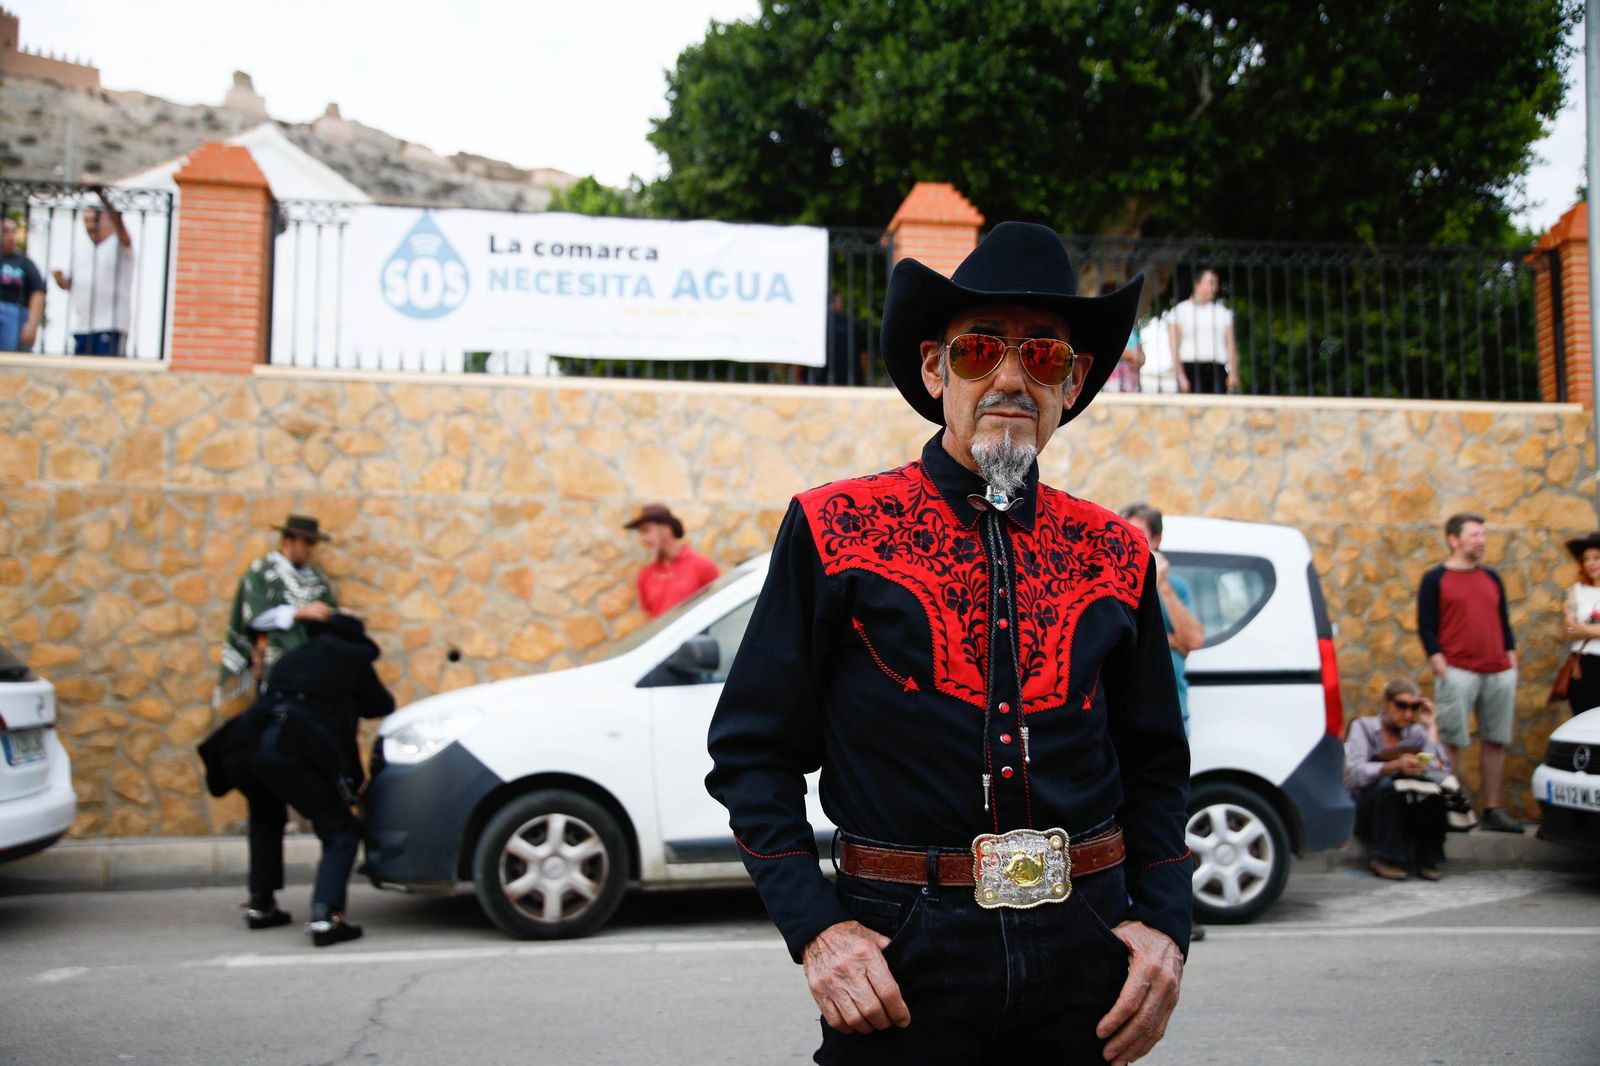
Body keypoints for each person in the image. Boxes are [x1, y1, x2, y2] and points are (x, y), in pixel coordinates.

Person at [707, 222, 1189, 1065]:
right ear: (935, 370)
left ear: (1072, 383)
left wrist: (1167, 927)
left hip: (1088, 942)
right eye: (978, 353)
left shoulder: (1117, 552)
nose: (1010, 377)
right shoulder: (835, 528)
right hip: (906, 952)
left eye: (1042, 356)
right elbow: (752, 753)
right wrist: (817, 930)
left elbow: (1155, 765)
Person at [206, 612, 394, 946]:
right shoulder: (352, 657)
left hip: (242, 744)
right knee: (340, 830)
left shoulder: (295, 657)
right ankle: (327, 917)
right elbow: (381, 704)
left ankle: (261, 906)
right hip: (288, 747)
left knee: (265, 817)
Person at [1416, 511, 1523, 834]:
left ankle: (1492, 809)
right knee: (1451, 740)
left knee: (1496, 740)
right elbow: (1426, 624)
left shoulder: (1492, 577)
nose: (1482, 540)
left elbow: (1503, 621)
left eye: (1483, 535)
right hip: (1457, 670)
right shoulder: (1435, 579)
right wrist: (1437, 658)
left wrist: (1511, 657)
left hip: (1498, 671)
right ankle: (1451, 810)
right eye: (1475, 535)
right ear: (1454, 539)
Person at [215, 515, 338, 712]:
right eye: (306, 542)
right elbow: (255, 617)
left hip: (312, 665)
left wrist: (336, 614)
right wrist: (298, 613)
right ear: (288, 540)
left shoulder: (316, 579)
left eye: (313, 543)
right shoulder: (262, 573)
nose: (310, 548)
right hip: (277, 662)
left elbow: (329, 610)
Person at [1344, 679, 1451, 880]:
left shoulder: (1416, 732)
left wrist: (1431, 728)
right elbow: (1355, 773)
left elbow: (1442, 771)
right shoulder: (1364, 727)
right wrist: (1393, 766)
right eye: (1401, 706)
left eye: (1414, 707)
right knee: (1388, 786)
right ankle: (1385, 858)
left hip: (1404, 810)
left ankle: (1427, 859)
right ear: (1387, 702)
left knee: (1433, 792)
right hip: (1367, 809)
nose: (1408, 714)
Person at [50, 187, 134, 357]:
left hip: (110, 326)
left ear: (106, 219)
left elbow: (120, 224)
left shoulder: (118, 246)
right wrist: (59, 279)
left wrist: (101, 195)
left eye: (94, 220)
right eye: (86, 221)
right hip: (82, 326)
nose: (90, 226)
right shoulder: (81, 252)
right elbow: (68, 284)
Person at [624, 504, 719, 618]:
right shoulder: (645, 575)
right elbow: (650, 617)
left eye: (646, 531)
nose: (643, 539)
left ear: (666, 529)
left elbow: (717, 608)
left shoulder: (702, 566)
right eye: (641, 533)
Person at [1167, 267, 1238, 395]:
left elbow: (1231, 345)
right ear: (1197, 284)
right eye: (1211, 283)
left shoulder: (1222, 313)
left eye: (1215, 284)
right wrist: (1181, 376)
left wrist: (1233, 373)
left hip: (1217, 369)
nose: (1214, 288)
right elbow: (1174, 346)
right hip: (1191, 368)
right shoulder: (1179, 311)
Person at [1559, 531, 1600, 716]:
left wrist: (1582, 630)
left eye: (1597, 557)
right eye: (1587, 558)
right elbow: (1569, 628)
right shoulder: (1575, 591)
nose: (1591, 563)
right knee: (1585, 721)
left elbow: (1577, 629)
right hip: (1584, 667)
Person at [0, 216, 46, 353]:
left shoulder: (24, 263)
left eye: (13, 232)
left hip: (15, 313)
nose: (10, 236)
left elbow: (38, 292)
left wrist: (32, 324)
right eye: (5, 232)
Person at [1101, 281, 1144, 392]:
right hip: (1114, 382)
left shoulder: (1132, 328)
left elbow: (1141, 355)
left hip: (1131, 381)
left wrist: (1138, 358)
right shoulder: (1104, 325)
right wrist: (1132, 356)